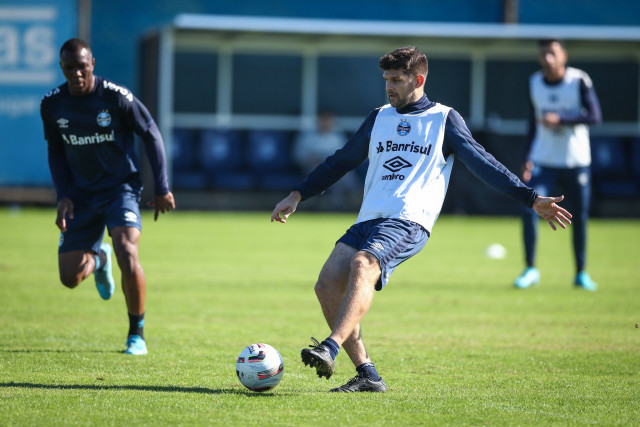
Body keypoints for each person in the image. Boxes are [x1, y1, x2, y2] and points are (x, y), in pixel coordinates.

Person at [271, 46, 572, 392]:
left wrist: (530, 198)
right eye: (386, 79)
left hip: (409, 220)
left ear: (418, 79)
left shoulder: (443, 119)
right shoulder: (379, 116)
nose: (389, 87)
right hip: (370, 217)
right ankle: (368, 375)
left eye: (397, 80)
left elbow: (484, 164)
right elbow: (341, 161)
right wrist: (298, 194)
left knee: (364, 264)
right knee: (326, 284)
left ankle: (330, 346)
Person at [40, 38, 175, 355]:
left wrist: (162, 187)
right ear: (62, 68)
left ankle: (136, 334)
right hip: (80, 196)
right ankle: (99, 258)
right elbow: (56, 151)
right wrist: (63, 195)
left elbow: (151, 133)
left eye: (82, 67)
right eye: (69, 68)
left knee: (127, 250)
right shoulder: (52, 105)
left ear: (93, 65)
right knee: (69, 278)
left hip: (120, 189)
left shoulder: (116, 97)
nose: (76, 74)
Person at [515, 39, 602, 291]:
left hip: (576, 160)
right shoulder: (534, 82)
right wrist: (527, 158)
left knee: (580, 217)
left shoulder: (579, 80)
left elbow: (595, 116)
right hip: (544, 159)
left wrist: (561, 119)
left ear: (563, 55)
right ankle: (530, 269)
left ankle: (581, 273)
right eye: (544, 54)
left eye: (552, 53)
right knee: (529, 208)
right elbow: (533, 123)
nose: (548, 59)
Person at [293, 111, 361, 209]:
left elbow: (346, 157)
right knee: (333, 176)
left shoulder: (337, 137)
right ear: (318, 121)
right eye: (323, 120)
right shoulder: (307, 136)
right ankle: (334, 207)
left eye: (328, 121)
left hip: (335, 168)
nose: (326, 123)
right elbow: (299, 157)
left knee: (342, 175)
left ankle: (354, 197)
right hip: (313, 167)